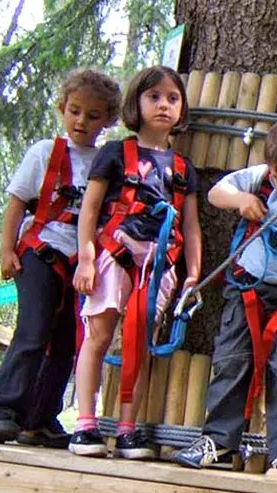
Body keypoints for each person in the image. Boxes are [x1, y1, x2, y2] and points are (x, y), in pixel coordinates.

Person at [172, 116, 277, 472]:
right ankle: (219, 441)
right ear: (270, 169)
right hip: (246, 290)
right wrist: (243, 199)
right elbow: (216, 193)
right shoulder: (260, 179)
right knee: (231, 361)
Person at [0, 69, 121, 448]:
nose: (81, 121)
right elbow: (17, 202)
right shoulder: (45, 152)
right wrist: (6, 249)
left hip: (82, 262)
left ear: (108, 120)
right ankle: (3, 410)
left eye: (93, 115)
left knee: (66, 341)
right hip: (40, 252)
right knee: (33, 328)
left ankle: (39, 419)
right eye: (74, 111)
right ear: (62, 108)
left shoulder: (107, 161)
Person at [70, 66, 202, 459]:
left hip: (160, 264)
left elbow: (190, 224)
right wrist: (86, 259)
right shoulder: (115, 153)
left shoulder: (183, 168)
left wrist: (193, 272)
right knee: (98, 336)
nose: (164, 105)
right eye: (154, 97)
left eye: (173, 99)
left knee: (139, 342)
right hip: (116, 254)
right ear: (136, 103)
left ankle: (128, 428)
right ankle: (85, 423)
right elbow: (90, 209)